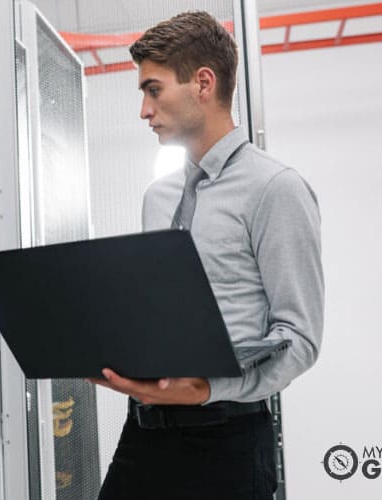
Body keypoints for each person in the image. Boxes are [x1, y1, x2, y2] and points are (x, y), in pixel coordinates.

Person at [88, 10, 324, 500]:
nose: (144, 110)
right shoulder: (158, 196)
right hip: (144, 435)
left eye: (153, 90)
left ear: (202, 83)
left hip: (228, 442)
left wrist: (206, 389)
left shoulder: (275, 189)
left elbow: (299, 338)